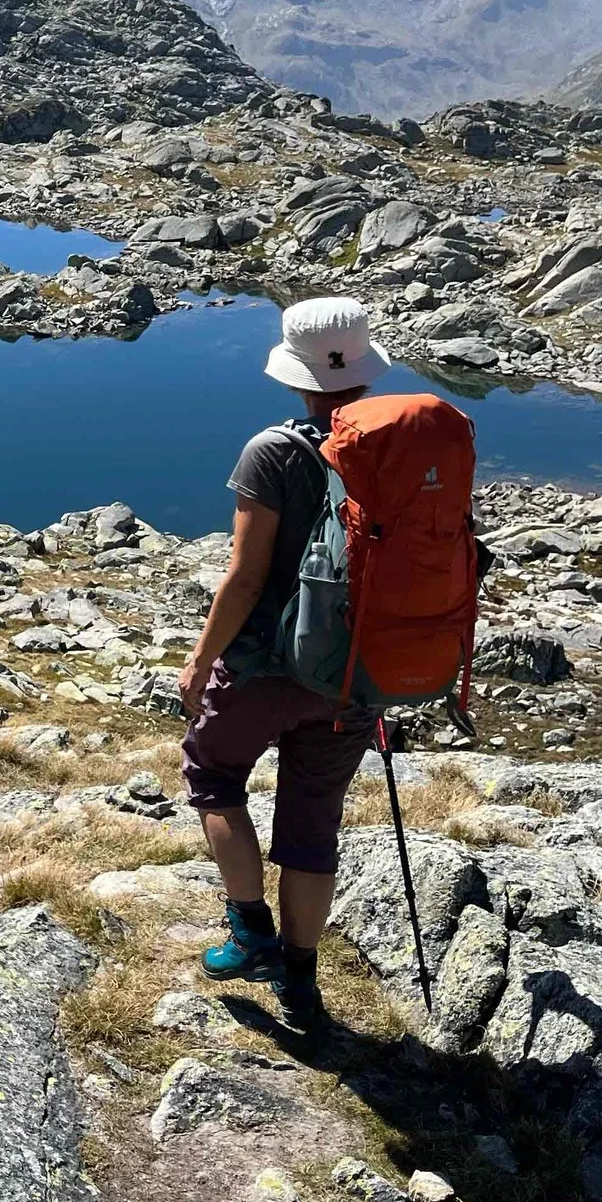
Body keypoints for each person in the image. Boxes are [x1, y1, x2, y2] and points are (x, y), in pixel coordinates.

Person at [176, 296, 391, 1032]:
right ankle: (302, 984)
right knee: (312, 820)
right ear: (363, 371)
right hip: (355, 677)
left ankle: (250, 932)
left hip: (266, 666)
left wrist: (202, 660)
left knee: (213, 775)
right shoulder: (399, 447)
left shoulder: (273, 450)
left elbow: (243, 575)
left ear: (298, 376)